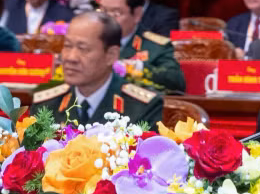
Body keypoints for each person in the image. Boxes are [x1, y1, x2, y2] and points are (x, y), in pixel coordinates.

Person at [31, 11, 163, 127]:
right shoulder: (47, 105)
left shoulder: (141, 108)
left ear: (111, 55)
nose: (71, 57)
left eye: (83, 49)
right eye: (67, 46)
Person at [98, 0, 186, 93]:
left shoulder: (156, 46)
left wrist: (135, 67)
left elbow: (175, 81)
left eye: (116, 13)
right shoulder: (90, 40)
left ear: (137, 14)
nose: (107, 19)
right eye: (103, 11)